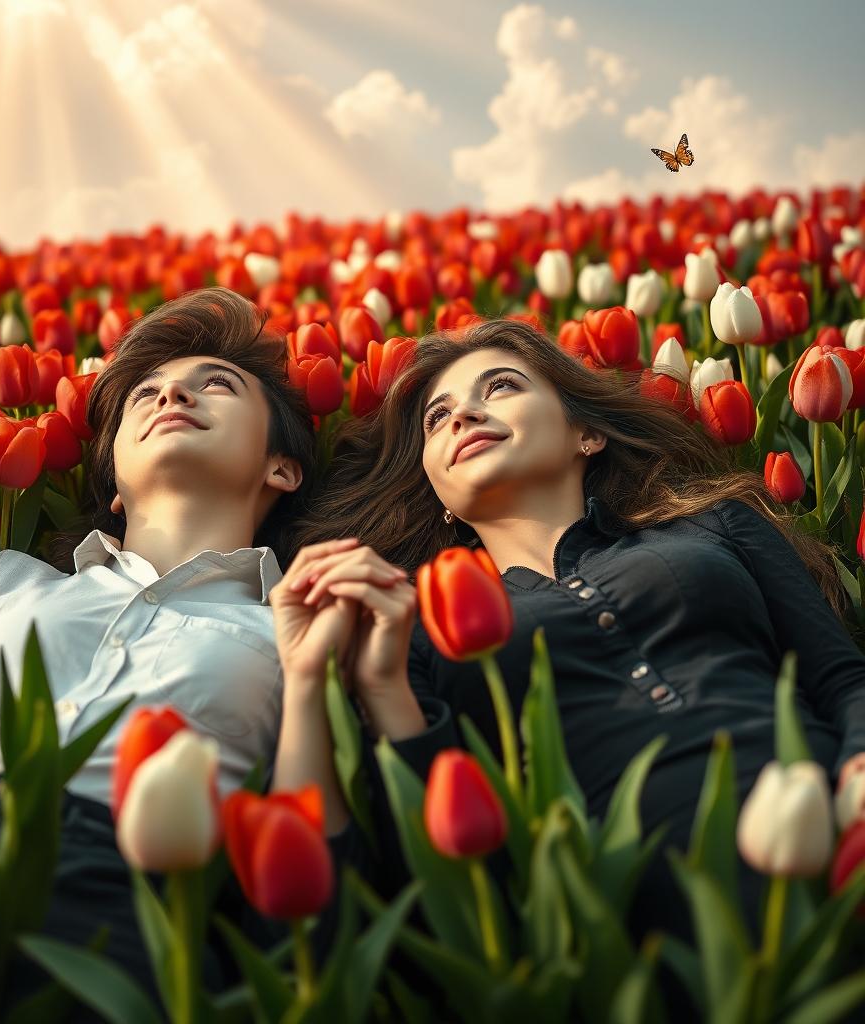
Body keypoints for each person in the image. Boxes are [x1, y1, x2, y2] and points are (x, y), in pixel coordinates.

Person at [0, 287, 366, 1017]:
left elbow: (305, 841)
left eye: (216, 383)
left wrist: (309, 677)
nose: (173, 391)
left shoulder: (294, 623)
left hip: (112, 882)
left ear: (282, 468)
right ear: (112, 481)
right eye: (143, 394)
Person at [281, 316, 865, 954]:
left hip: (822, 818)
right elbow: (443, 864)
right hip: (625, 923)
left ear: (586, 433)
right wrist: (381, 684)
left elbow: (841, 677)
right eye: (435, 417)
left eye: (499, 387)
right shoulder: (419, 629)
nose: (461, 416)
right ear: (437, 489)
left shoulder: (715, 525)